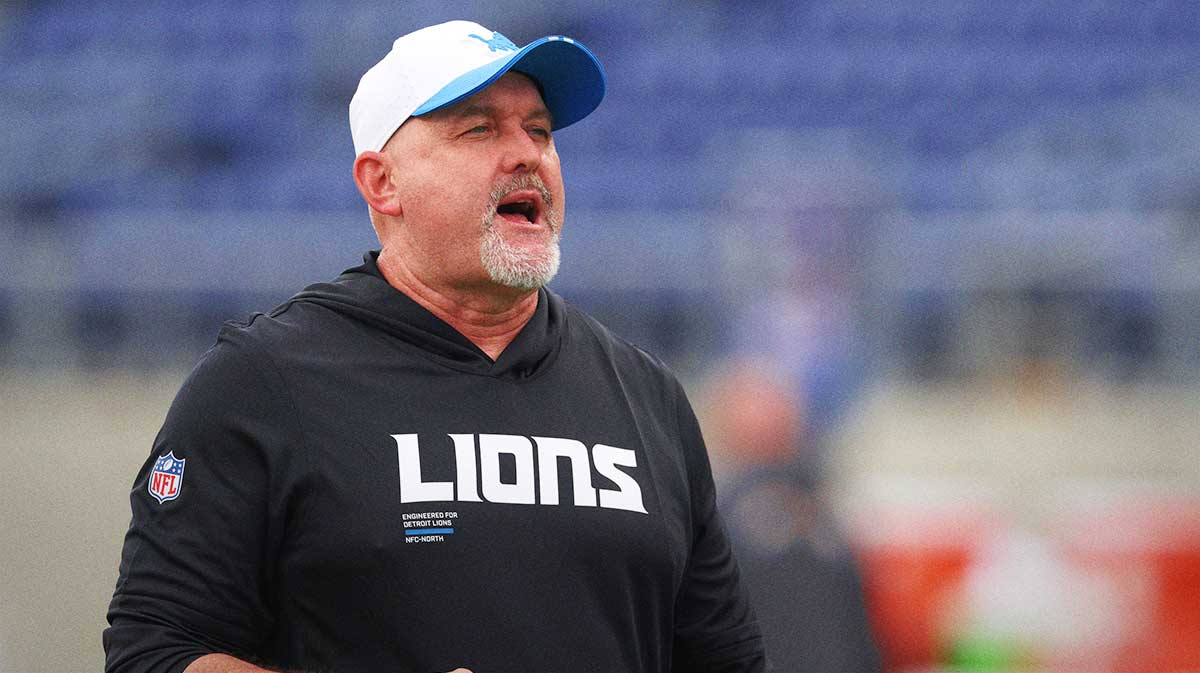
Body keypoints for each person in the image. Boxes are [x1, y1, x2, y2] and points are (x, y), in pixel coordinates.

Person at [104, 20, 768, 673]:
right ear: (380, 182)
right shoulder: (262, 383)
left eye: (538, 130)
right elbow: (153, 649)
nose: (526, 153)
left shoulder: (648, 398)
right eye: (479, 129)